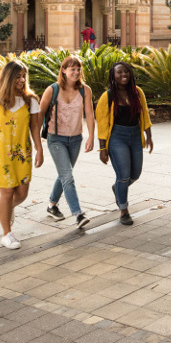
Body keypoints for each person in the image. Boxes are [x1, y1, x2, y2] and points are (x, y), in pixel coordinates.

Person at [0, 60, 42, 249]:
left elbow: (35, 127)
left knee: (21, 194)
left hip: (23, 153)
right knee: (6, 193)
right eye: (18, 76)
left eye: (24, 76)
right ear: (8, 77)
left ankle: (7, 210)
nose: (22, 80)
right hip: (0, 155)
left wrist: (39, 149)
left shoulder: (31, 100)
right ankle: (7, 234)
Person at [41, 55, 95, 229]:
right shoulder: (52, 90)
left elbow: (90, 114)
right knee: (68, 176)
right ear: (63, 70)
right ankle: (78, 214)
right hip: (56, 138)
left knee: (65, 174)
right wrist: (35, 143)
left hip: (76, 139)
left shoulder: (85, 90)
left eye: (78, 69)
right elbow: (39, 114)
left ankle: (52, 205)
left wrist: (91, 136)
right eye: (72, 69)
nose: (76, 72)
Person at [96, 61, 153, 225]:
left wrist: (148, 135)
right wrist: (102, 148)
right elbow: (102, 124)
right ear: (113, 76)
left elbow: (145, 115)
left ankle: (118, 189)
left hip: (135, 136)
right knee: (123, 176)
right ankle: (124, 210)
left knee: (135, 174)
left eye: (126, 72)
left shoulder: (138, 92)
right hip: (117, 138)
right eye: (119, 72)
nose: (124, 75)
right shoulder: (107, 97)